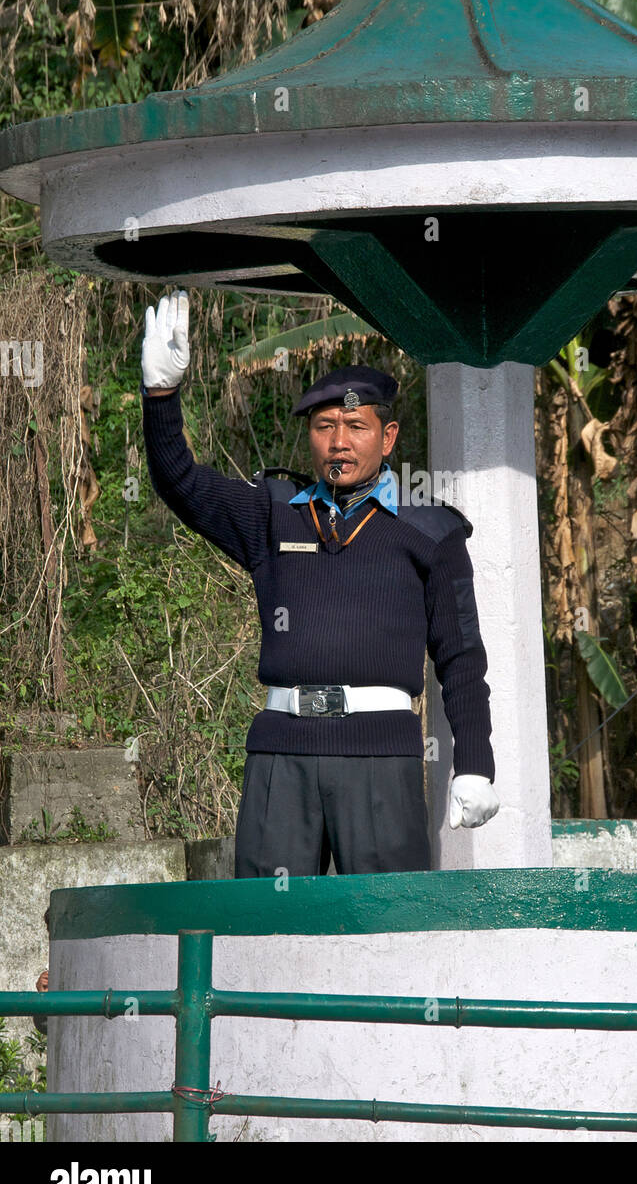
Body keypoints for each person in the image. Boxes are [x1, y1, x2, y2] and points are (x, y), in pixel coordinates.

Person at [140, 290, 499, 876]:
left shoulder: (430, 530)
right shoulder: (272, 512)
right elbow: (180, 482)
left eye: (355, 426)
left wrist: (475, 764)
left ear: (387, 439)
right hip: (281, 754)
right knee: (263, 930)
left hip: (381, 756)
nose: (338, 442)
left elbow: (461, 659)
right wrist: (161, 396)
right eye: (325, 426)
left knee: (388, 928)